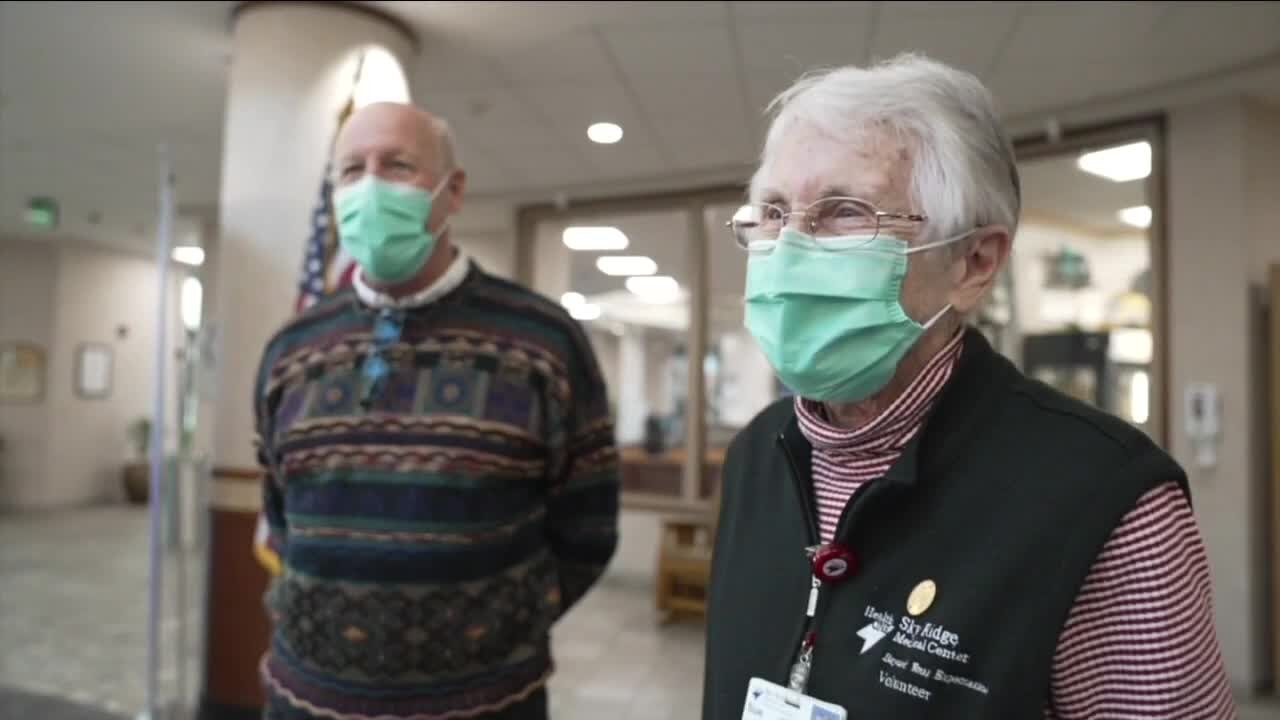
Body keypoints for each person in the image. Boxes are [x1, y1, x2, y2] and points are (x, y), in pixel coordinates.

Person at [703, 53, 1234, 719]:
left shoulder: (1106, 502)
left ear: (973, 263)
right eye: (774, 213)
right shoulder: (759, 453)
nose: (791, 250)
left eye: (844, 212)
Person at [252, 101, 620, 720]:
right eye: (351, 170)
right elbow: (280, 513)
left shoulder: (543, 340)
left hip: (485, 703)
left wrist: (501, 624)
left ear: (453, 193)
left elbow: (588, 527)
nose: (369, 187)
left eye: (397, 166)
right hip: (305, 698)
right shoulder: (291, 348)